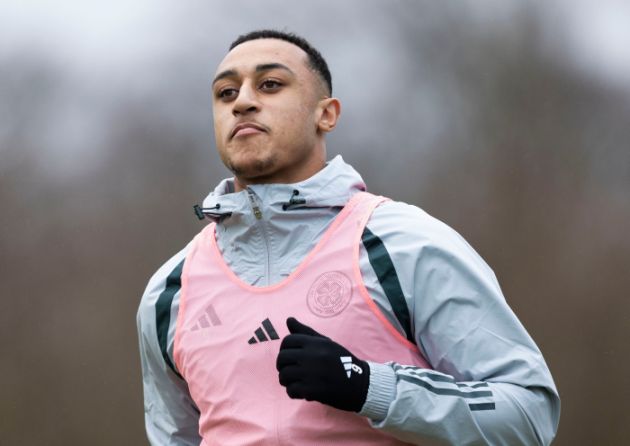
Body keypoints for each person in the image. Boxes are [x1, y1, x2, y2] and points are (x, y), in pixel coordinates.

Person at [137, 29, 560, 445]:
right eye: (226, 93)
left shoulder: (406, 245)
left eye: (270, 84)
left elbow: (529, 414)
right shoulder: (168, 294)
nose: (243, 101)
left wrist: (369, 386)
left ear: (326, 114)